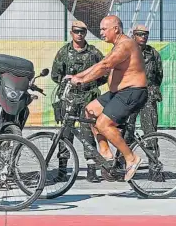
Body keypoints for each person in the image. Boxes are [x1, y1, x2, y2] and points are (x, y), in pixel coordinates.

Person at [66, 15, 148, 182]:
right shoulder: (116, 46)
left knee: (103, 123)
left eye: (104, 29)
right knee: (90, 110)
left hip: (132, 92)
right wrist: (76, 75)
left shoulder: (125, 45)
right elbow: (99, 65)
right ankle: (105, 152)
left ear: (115, 29)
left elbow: (104, 66)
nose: (101, 33)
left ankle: (131, 158)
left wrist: (82, 81)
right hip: (118, 93)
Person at [51, 20, 107, 183]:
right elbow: (55, 75)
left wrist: (90, 84)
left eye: (82, 31)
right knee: (65, 133)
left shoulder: (94, 53)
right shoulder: (63, 52)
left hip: (88, 98)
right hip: (68, 98)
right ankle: (62, 169)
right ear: (71, 32)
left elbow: (104, 72)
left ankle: (91, 169)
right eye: (76, 31)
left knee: (88, 132)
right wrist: (68, 81)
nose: (79, 34)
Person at [123, 24, 164, 181]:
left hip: (148, 97)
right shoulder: (127, 52)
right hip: (130, 96)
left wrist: (152, 89)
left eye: (146, 34)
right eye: (140, 34)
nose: (144, 37)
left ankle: (154, 169)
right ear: (134, 35)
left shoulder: (153, 53)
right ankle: (122, 165)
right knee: (126, 132)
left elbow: (159, 75)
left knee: (151, 133)